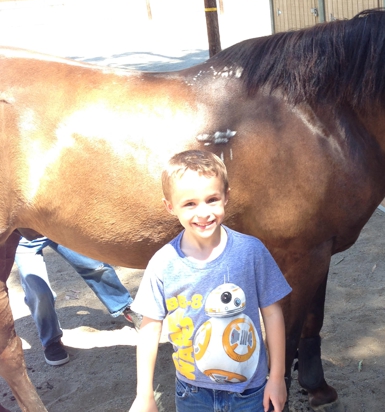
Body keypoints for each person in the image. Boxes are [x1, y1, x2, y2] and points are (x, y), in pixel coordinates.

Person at [129, 150, 292, 412]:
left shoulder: (251, 252)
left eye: (212, 199)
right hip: (192, 392)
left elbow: (273, 314)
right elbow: (149, 328)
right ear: (170, 206)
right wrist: (144, 394)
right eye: (190, 204)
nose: (203, 213)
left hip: (249, 391)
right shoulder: (163, 263)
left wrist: (277, 377)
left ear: (226, 196)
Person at [16, 236, 142, 366]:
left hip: (55, 223)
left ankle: (125, 306)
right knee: (39, 292)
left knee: (95, 266)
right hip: (23, 236)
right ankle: (51, 341)